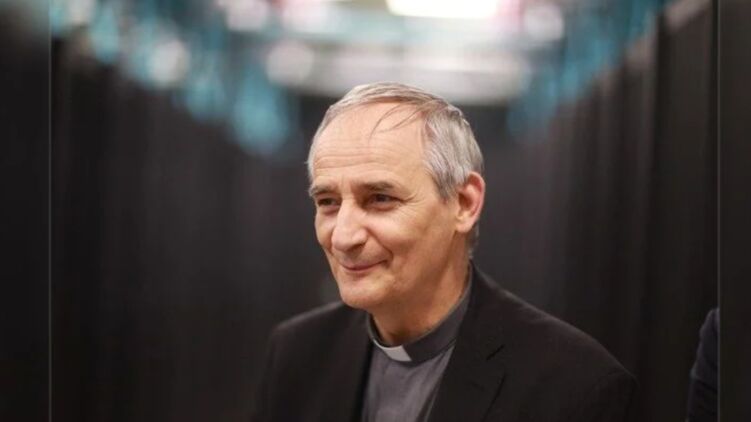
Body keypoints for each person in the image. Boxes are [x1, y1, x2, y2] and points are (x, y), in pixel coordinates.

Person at [250, 82, 635, 422]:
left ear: (464, 203)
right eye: (328, 202)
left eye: (380, 198)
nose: (343, 237)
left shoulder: (572, 386)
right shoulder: (296, 354)